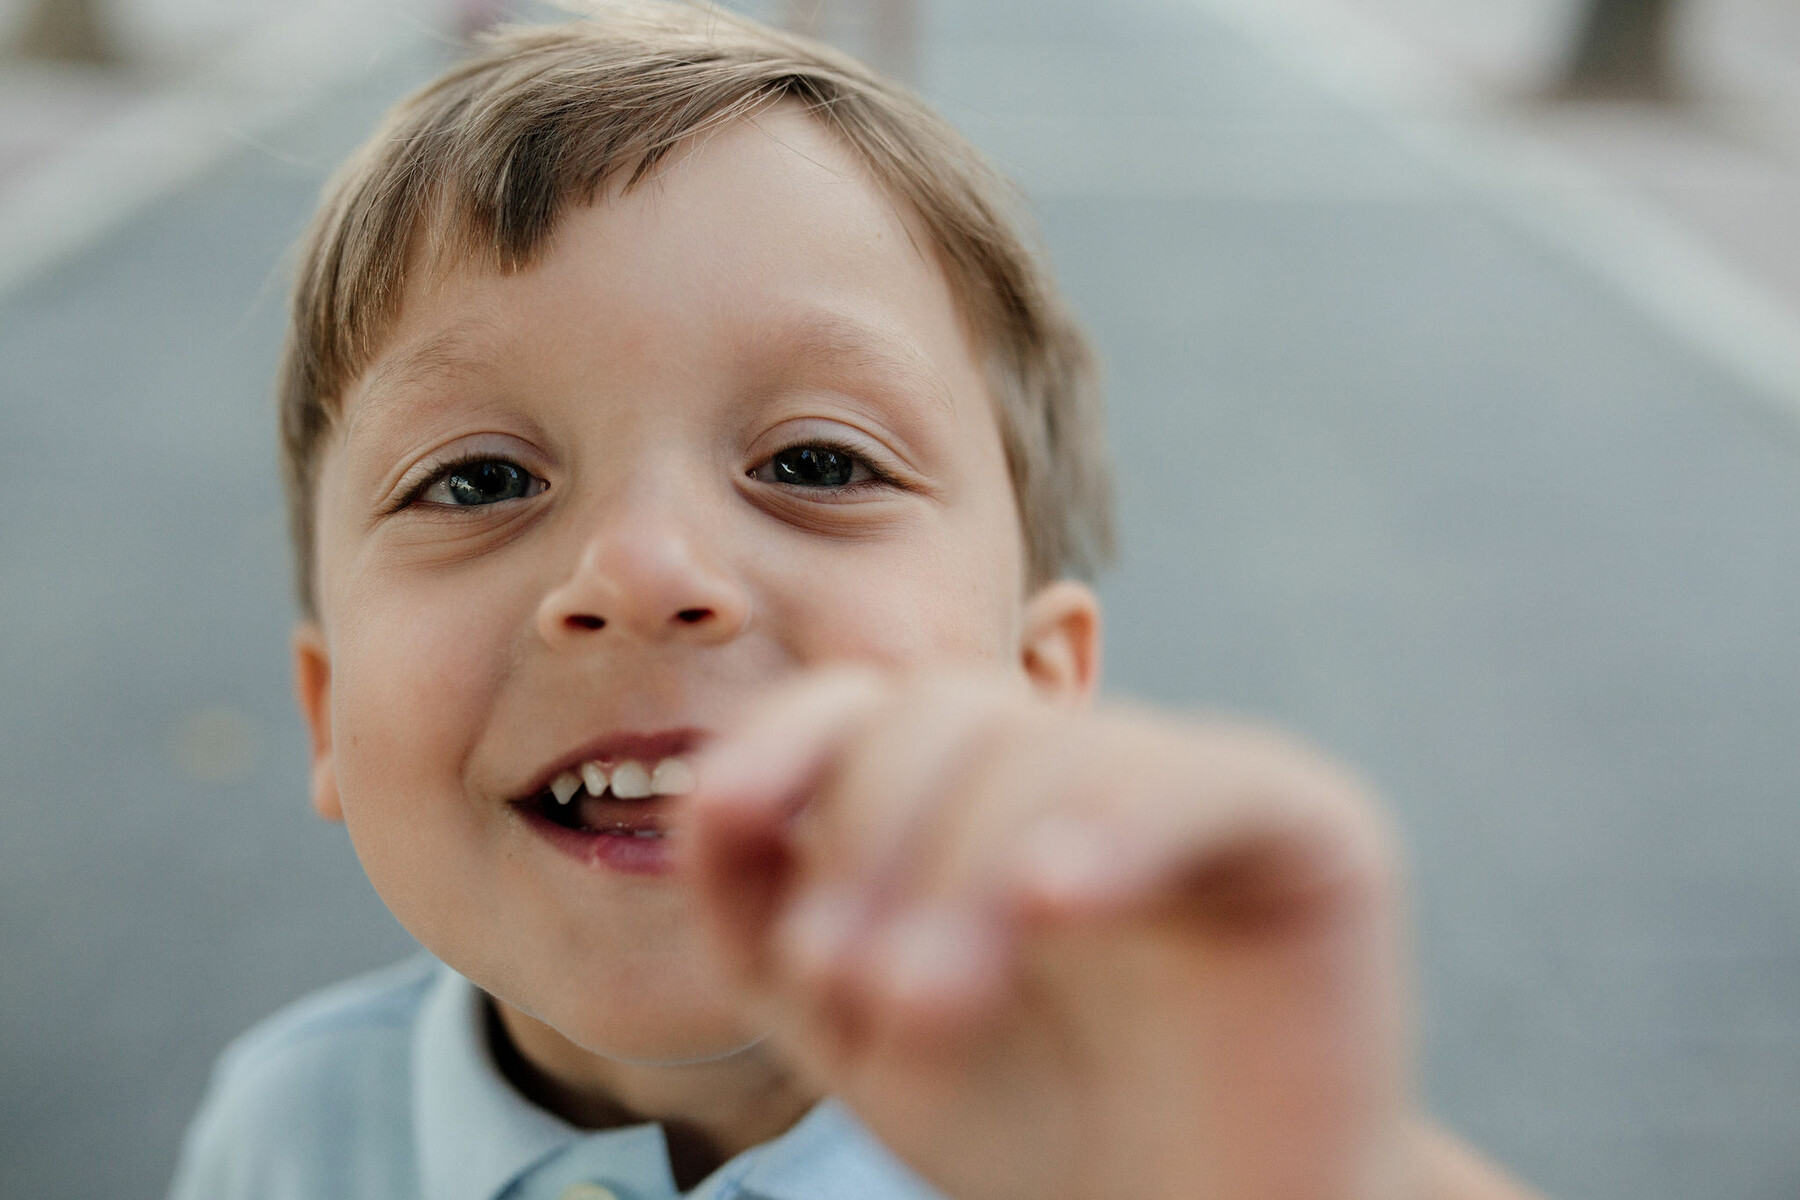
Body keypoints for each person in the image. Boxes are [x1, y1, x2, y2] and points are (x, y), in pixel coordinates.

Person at [167, 4, 1541, 1198]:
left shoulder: (1143, 1148)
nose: (644, 574)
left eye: (816, 464)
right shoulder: (282, 1134)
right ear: (327, 707)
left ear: (1040, 685)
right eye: (474, 482)